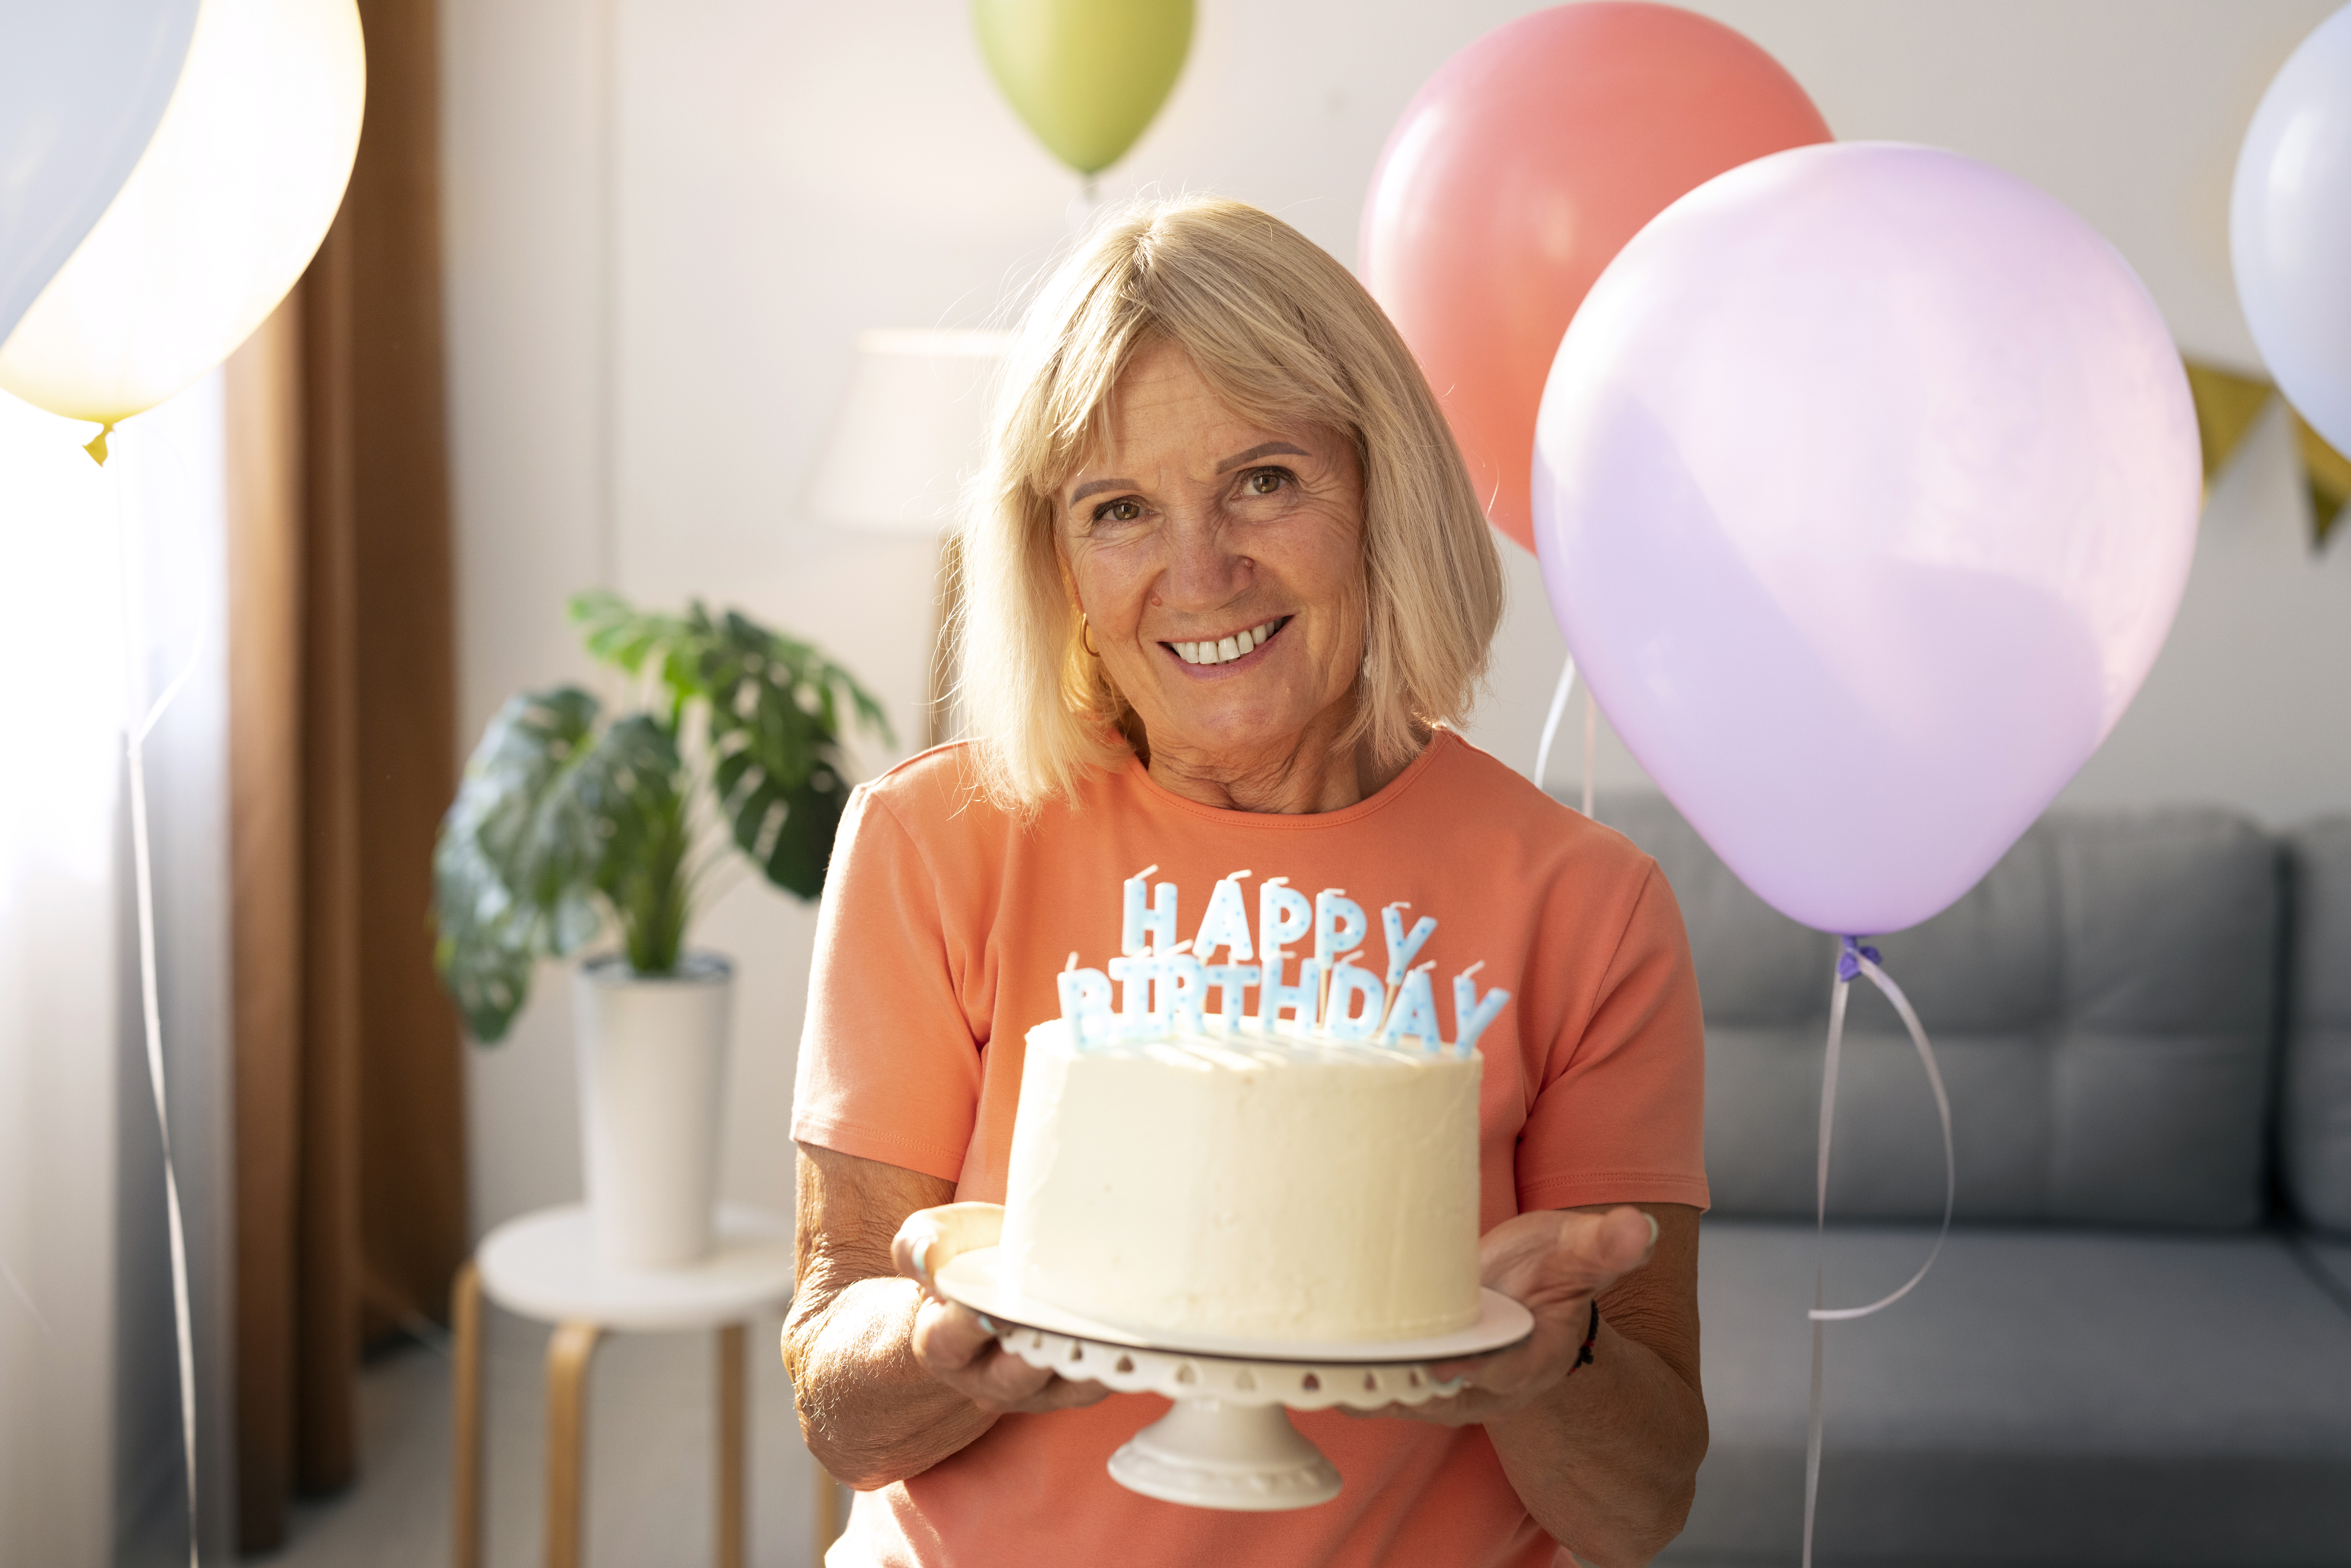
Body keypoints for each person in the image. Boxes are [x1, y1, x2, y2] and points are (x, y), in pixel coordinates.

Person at [783, 195, 1709, 1568]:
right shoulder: (935, 842)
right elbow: (841, 1405)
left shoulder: (1587, 905)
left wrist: (1544, 1356)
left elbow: (1639, 1505)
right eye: (1119, 510)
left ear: (1380, 486)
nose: (1199, 571)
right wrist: (938, 1347)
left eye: (1264, 479)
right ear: (1056, 565)